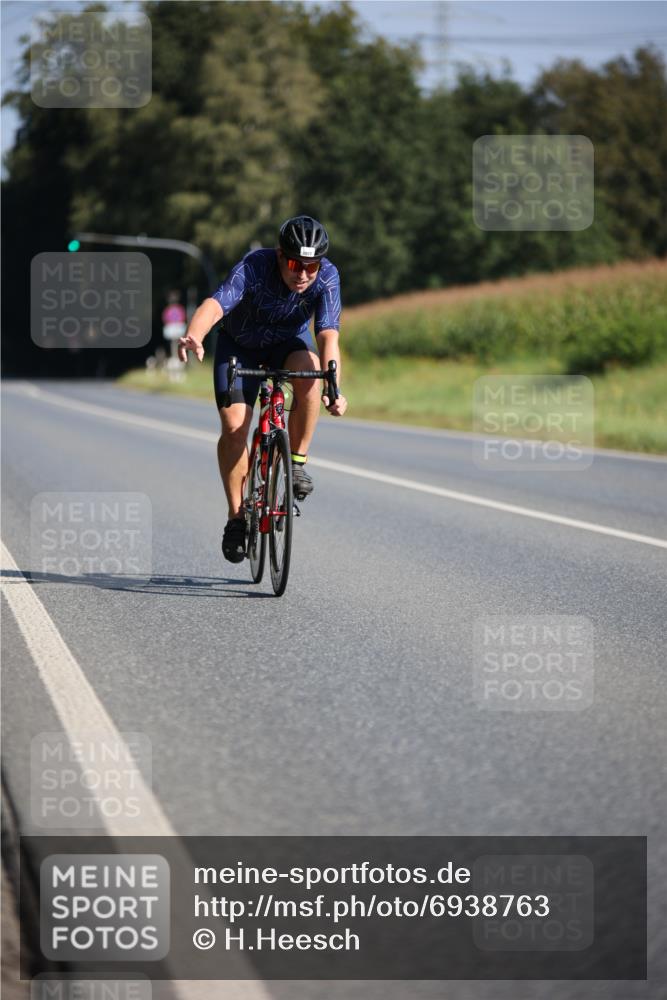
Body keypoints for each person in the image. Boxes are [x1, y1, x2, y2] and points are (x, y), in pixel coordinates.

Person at [178, 215, 348, 563]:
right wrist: (195, 333)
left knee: (311, 372)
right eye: (293, 263)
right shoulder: (254, 267)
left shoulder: (327, 277)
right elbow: (215, 305)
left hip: (288, 343)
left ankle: (297, 462)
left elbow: (328, 335)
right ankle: (236, 517)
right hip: (239, 346)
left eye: (311, 265)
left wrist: (334, 387)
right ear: (278, 254)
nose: (302, 273)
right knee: (235, 426)